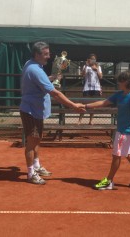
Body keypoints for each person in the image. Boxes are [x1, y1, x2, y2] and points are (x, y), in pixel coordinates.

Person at [20, 42, 85, 185]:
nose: (49, 57)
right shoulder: (35, 69)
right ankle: (31, 173)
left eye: (48, 54)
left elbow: (41, 82)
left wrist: (52, 78)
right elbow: (55, 93)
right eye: (46, 54)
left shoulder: (33, 65)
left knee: (38, 138)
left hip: (36, 110)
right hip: (30, 110)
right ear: (37, 54)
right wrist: (74, 106)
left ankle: (36, 166)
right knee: (31, 142)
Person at [85, 70, 130, 190]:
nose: (119, 82)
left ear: (127, 82)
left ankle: (109, 181)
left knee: (116, 156)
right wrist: (86, 106)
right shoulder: (119, 94)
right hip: (122, 130)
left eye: (121, 80)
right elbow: (104, 102)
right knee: (129, 154)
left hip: (126, 131)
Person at [78, 54, 103, 125]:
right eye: (91, 59)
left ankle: (91, 120)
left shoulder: (98, 66)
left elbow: (101, 77)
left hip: (96, 88)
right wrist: (86, 65)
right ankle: (80, 120)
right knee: (84, 104)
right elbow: (82, 75)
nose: (93, 60)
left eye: (94, 59)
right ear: (88, 59)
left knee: (93, 105)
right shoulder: (86, 66)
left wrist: (97, 70)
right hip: (87, 88)